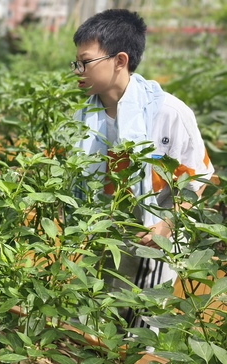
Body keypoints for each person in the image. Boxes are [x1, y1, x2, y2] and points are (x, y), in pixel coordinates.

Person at [71, 9, 214, 329]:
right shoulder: (85, 118)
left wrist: (166, 225)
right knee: (99, 315)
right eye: (76, 63)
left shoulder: (168, 113)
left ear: (120, 60)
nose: (77, 70)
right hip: (107, 232)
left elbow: (199, 174)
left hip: (155, 235)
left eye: (85, 61)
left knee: (140, 322)